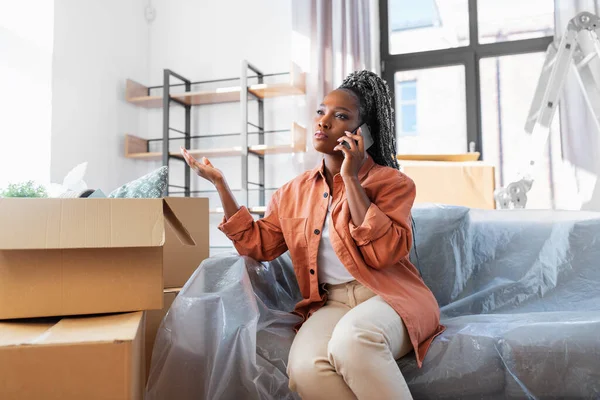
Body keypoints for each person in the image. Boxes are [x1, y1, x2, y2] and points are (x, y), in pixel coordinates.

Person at [181, 70, 444, 400]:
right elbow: (255, 244)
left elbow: (384, 253)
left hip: (388, 296)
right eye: (321, 111)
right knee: (305, 370)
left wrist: (350, 178)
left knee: (353, 342)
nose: (324, 121)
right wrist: (220, 183)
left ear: (362, 133)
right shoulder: (293, 192)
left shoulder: (393, 184)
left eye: (340, 116)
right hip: (331, 302)